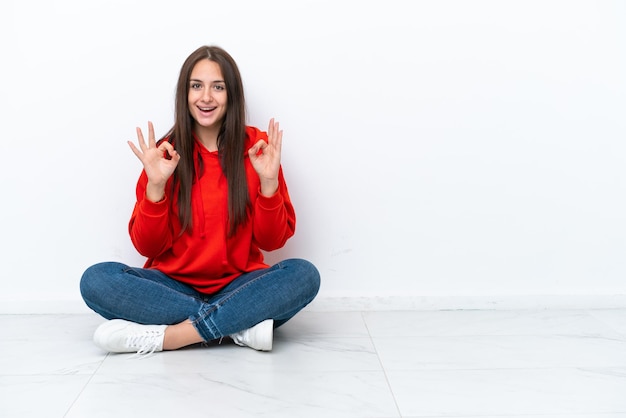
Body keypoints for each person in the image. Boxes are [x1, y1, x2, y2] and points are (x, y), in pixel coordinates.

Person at [80, 45, 320, 355]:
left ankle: (174, 336)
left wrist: (269, 182)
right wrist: (156, 186)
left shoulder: (257, 148)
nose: (206, 97)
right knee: (96, 280)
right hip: (171, 287)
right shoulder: (164, 153)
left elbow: (272, 241)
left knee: (303, 275)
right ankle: (237, 326)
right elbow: (148, 248)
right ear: (185, 93)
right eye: (197, 86)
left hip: (240, 284)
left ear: (231, 95)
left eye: (217, 87)